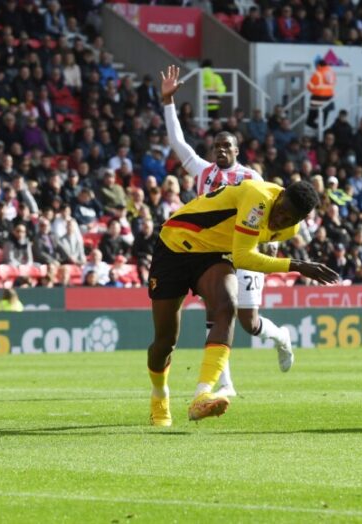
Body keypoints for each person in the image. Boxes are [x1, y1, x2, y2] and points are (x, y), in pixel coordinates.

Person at [145, 177, 339, 426]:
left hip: (213, 255)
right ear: (278, 197)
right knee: (165, 342)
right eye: (281, 211)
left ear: (299, 221)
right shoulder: (258, 199)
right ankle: (159, 395)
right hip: (175, 245)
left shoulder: (290, 229)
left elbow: (243, 251)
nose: (280, 219)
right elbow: (243, 256)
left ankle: (201, 395)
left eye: (289, 219)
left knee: (227, 307)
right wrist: (297, 266)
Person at [161, 65, 294, 399]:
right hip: (213, 252)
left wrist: (270, 242)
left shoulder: (251, 178)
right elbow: (177, 141)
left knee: (249, 322)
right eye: (216, 146)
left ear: (237, 151)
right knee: (218, 311)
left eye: (226, 146)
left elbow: (272, 212)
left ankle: (281, 338)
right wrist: (167, 102)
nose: (220, 150)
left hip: (245, 250)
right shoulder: (202, 171)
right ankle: (225, 384)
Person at [306, 59, 336, 130]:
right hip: (328, 101)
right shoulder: (332, 73)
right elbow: (333, 85)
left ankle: (320, 131)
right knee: (323, 123)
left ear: (319, 65)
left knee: (309, 122)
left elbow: (310, 87)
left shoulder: (317, 74)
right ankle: (322, 131)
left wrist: (316, 90)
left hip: (317, 101)